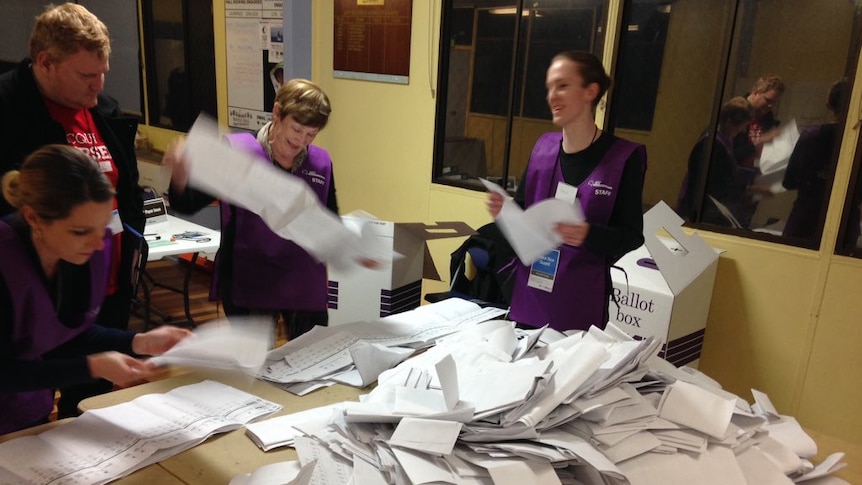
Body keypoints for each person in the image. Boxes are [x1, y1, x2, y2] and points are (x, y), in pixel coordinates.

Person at [0, 3, 144, 418]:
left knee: (81, 405)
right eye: (86, 75)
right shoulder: (9, 109)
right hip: (31, 273)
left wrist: (133, 341)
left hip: (89, 274)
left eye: (103, 72)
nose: (98, 86)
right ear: (46, 62)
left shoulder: (104, 109)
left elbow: (68, 337)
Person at [0, 145, 191, 435]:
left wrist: (139, 341)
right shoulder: (6, 260)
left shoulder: (80, 252)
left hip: (28, 409)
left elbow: (65, 334)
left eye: (102, 227)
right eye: (80, 231)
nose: (97, 244)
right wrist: (92, 366)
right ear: (33, 218)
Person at [486, 51, 647, 332]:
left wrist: (588, 233)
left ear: (590, 91)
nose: (552, 96)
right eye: (549, 87)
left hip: (579, 308)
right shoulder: (543, 149)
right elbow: (523, 214)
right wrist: (506, 214)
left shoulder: (623, 159)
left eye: (562, 85)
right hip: (530, 299)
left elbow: (632, 236)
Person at [166, 79, 338, 340]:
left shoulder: (320, 163)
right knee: (255, 368)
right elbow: (186, 203)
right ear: (277, 112)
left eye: (311, 134)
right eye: (297, 129)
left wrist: (352, 247)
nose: (302, 140)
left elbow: (331, 218)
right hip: (250, 281)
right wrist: (179, 173)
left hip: (302, 281)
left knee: (313, 358)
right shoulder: (239, 152)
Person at [782, 80, 850, 241]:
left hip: (806, 217)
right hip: (844, 223)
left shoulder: (812, 136)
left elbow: (789, 181)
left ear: (828, 104)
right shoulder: (856, 142)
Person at [678, 97, 757, 227]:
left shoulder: (722, 138)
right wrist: (746, 188)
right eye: (738, 129)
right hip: (703, 208)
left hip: (710, 205)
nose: (739, 133)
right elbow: (715, 183)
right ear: (728, 121)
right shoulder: (712, 144)